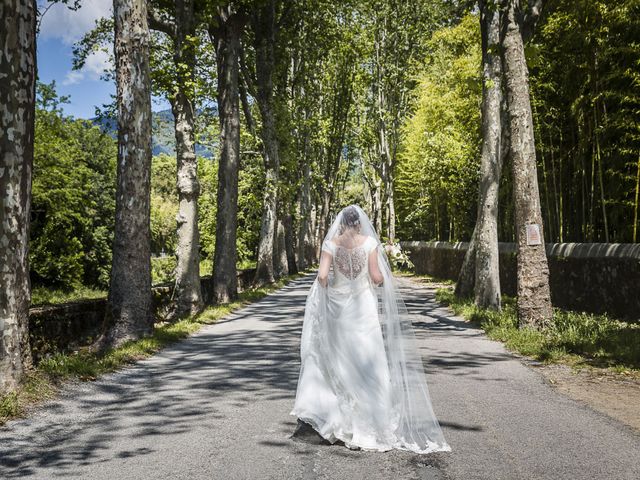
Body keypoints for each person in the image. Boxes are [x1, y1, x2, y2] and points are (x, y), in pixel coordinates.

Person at [290, 204, 451, 453]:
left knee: (340, 360)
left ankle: (342, 420)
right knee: (368, 358)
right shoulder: (369, 244)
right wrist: (382, 279)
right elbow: (376, 277)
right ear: (359, 223)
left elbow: (322, 276)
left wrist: (325, 293)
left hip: (338, 309)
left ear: (342, 223)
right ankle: (371, 422)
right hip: (363, 308)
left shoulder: (331, 243)